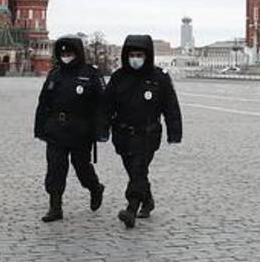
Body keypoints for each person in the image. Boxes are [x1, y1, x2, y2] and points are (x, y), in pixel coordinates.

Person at [106, 34, 181, 229]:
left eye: (139, 54)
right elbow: (106, 106)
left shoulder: (159, 78)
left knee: (139, 169)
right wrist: (101, 129)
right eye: (132, 54)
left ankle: (131, 208)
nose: (135, 58)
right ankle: (147, 200)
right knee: (134, 171)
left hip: (147, 133)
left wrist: (175, 132)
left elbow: (170, 106)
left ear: (147, 55)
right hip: (122, 134)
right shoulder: (118, 77)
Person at [32, 35, 107, 222]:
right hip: (56, 129)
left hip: (81, 130)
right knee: (55, 168)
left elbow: (101, 105)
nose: (66, 55)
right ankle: (55, 206)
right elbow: (44, 102)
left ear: (78, 53)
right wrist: (40, 127)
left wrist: (100, 129)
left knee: (82, 167)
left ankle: (95, 188)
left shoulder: (90, 74)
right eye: (63, 52)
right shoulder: (55, 74)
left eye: (70, 52)